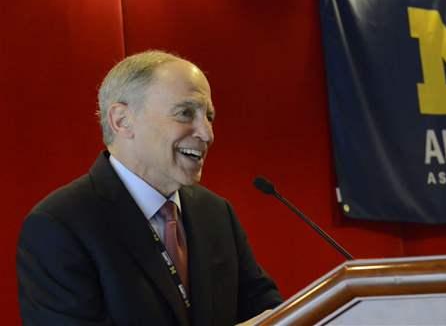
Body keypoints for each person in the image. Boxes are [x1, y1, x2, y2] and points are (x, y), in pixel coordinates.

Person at [17, 50, 282, 325]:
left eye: (209, 117)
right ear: (122, 120)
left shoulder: (215, 213)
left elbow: (268, 311)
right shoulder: (59, 225)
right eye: (185, 113)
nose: (207, 133)